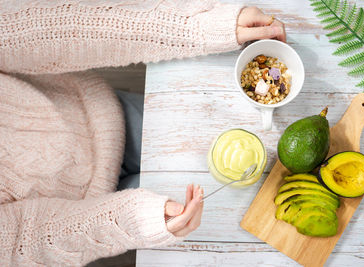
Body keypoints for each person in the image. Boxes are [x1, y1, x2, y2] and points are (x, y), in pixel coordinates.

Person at [0, 1, 286, 266]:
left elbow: (54, 31)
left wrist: (198, 26)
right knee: (232, 221)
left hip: (98, 114)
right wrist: (134, 222)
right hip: (95, 209)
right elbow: (23, 239)